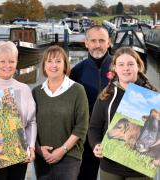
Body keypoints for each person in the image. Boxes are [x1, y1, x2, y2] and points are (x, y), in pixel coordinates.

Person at [88, 47, 157, 180]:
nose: (126, 68)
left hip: (141, 168)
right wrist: (96, 144)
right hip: (110, 166)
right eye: (121, 64)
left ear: (138, 66)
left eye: (131, 64)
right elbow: (94, 127)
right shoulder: (106, 95)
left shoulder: (153, 97)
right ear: (115, 68)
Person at [0, 41, 37, 180]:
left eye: (11, 61)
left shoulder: (24, 89)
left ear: (16, 63)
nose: (7, 65)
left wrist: (31, 147)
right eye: (3, 61)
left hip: (19, 154)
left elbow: (31, 122)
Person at [32, 45, 89, 180]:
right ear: (44, 66)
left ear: (65, 65)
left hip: (69, 157)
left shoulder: (77, 90)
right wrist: (40, 150)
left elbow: (81, 126)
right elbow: (30, 123)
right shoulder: (36, 92)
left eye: (58, 61)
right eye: (49, 61)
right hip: (43, 157)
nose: (54, 65)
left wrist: (62, 149)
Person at [70, 25, 111, 180]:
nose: (97, 45)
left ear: (109, 42)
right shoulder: (76, 71)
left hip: (115, 134)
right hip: (86, 137)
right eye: (93, 40)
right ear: (86, 43)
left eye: (102, 40)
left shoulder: (120, 67)